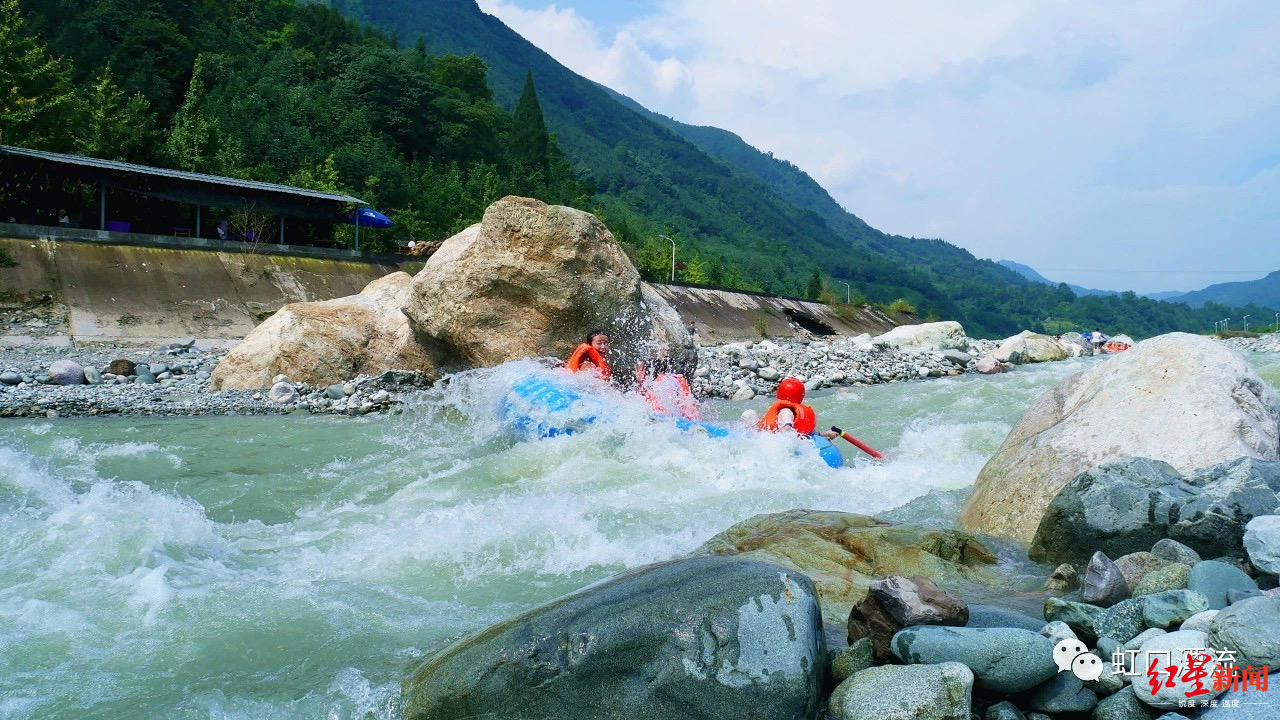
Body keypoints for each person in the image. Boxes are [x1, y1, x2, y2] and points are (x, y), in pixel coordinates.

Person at [757, 377, 837, 439]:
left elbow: (787, 432)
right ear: (801, 396)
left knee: (749, 414)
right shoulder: (794, 413)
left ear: (779, 394)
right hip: (776, 440)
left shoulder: (785, 412)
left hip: (771, 440)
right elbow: (812, 433)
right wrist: (825, 434)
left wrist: (826, 434)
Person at [634, 358, 700, 420]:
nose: (636, 373)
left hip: (670, 420)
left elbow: (657, 411)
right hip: (687, 418)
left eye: (640, 369)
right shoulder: (677, 378)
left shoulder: (662, 382)